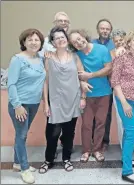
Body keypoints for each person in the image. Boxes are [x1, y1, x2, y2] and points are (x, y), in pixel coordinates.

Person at [38, 27, 86, 174]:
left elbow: (82, 77)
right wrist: (46, 103)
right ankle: (48, 159)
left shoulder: (75, 57)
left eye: (62, 36)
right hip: (56, 101)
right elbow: (45, 81)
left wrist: (83, 97)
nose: (61, 39)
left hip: (73, 100)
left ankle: (66, 158)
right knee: (52, 133)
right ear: (53, 42)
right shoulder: (48, 57)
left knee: (69, 133)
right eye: (57, 38)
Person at [68, 29, 112, 163]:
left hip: (104, 93)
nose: (79, 42)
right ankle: (86, 150)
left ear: (84, 36)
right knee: (86, 124)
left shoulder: (102, 49)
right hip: (86, 95)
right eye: (75, 42)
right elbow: (73, 72)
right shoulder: (75, 55)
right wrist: (82, 81)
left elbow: (109, 68)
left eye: (79, 38)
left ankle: (97, 150)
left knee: (100, 123)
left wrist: (90, 75)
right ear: (73, 46)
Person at [8, 28, 46, 184]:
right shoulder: (17, 59)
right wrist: (17, 105)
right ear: (24, 42)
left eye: (37, 40)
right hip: (20, 104)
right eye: (30, 39)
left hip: (34, 103)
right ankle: (24, 168)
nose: (34, 42)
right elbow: (11, 84)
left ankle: (17, 163)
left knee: (21, 134)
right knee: (22, 135)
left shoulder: (40, 58)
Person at [111, 30, 134, 184]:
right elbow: (115, 82)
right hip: (125, 100)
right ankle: (127, 172)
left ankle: (127, 159)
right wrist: (124, 103)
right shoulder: (121, 56)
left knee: (128, 132)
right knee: (132, 132)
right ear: (129, 42)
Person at [91, 18, 115, 151]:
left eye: (107, 28)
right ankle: (93, 141)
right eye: (102, 28)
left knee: (106, 115)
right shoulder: (91, 43)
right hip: (92, 85)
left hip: (108, 86)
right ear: (98, 29)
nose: (105, 31)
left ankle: (104, 141)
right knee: (92, 116)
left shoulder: (114, 44)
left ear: (110, 30)